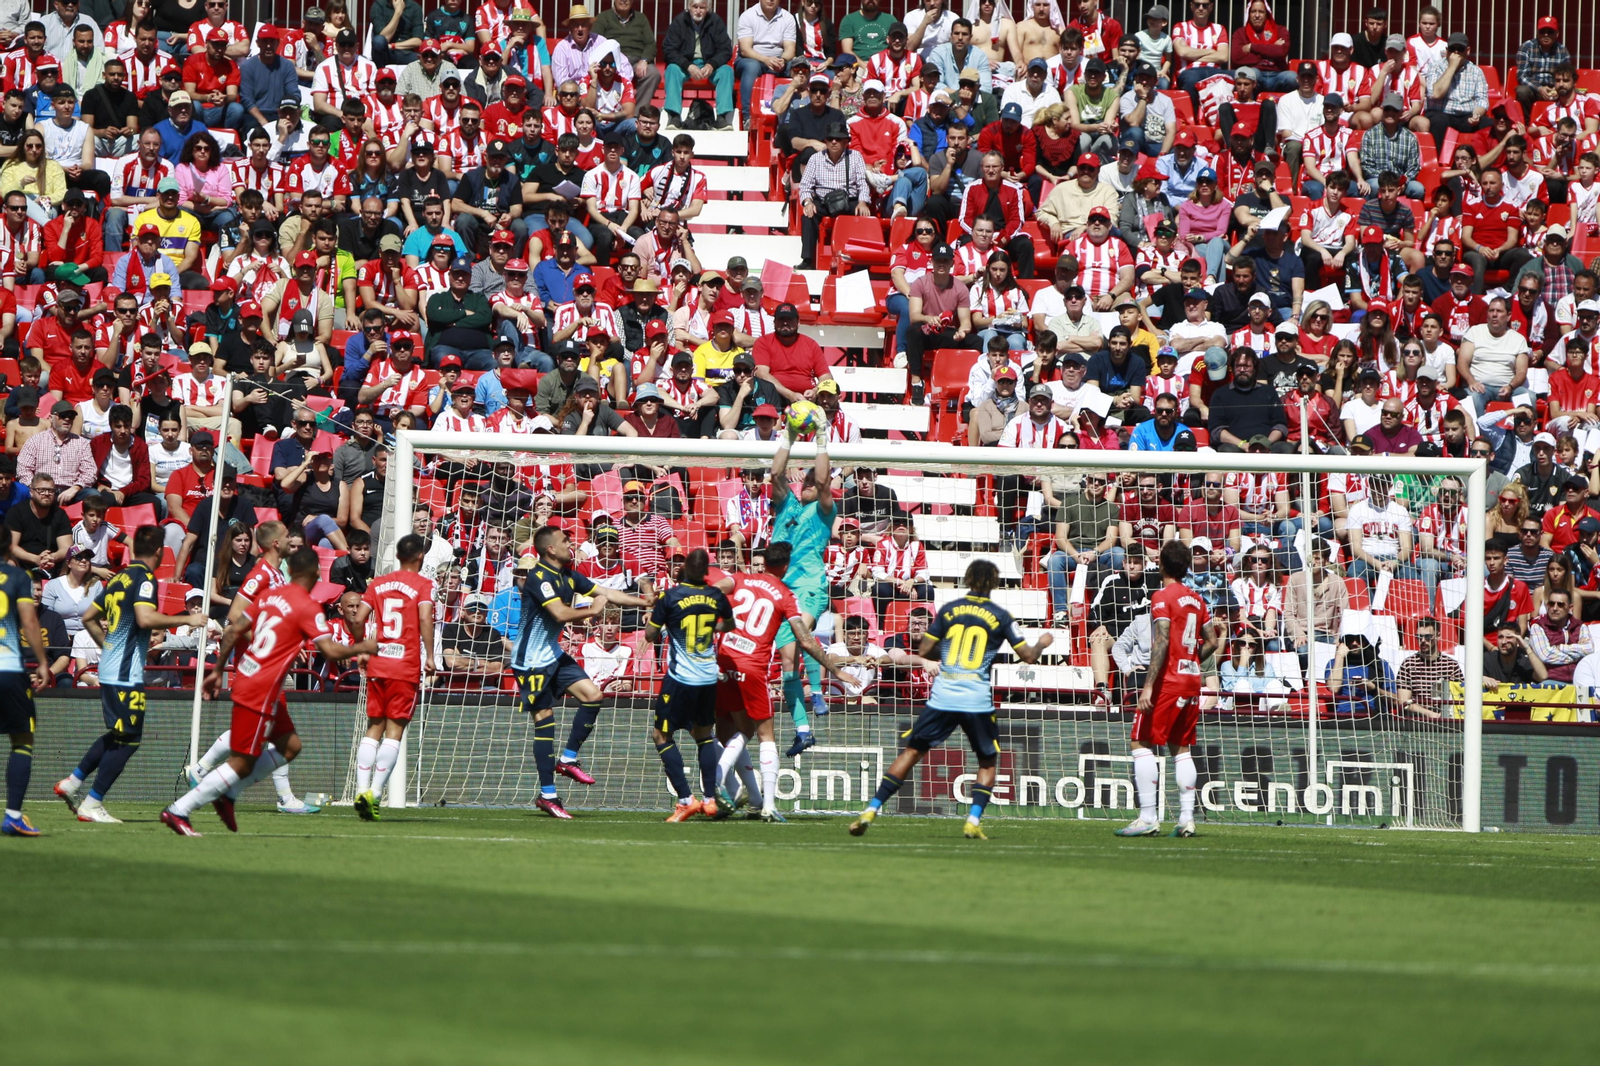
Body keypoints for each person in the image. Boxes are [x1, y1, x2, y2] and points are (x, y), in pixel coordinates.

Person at [162, 548, 376, 836]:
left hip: (253, 678)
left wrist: (217, 670)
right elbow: (332, 651)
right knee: (241, 761)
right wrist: (364, 647)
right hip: (261, 688)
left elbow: (234, 628)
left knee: (290, 746)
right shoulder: (306, 606)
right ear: (314, 574)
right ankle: (179, 810)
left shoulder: (267, 597)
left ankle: (230, 793)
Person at [848, 558, 1052, 840]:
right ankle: (972, 820)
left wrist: (946, 652)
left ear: (967, 580)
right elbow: (1028, 656)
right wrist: (1042, 642)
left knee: (911, 752)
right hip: (976, 698)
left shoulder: (949, 610)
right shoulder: (1000, 616)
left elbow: (927, 649)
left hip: (943, 694)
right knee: (988, 761)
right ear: (993, 583)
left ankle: (871, 810)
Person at [55, 524, 205, 824]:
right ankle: (92, 802)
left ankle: (72, 783)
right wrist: (189, 618)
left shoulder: (120, 576)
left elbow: (88, 616)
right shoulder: (145, 579)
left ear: (133, 548)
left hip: (112, 667)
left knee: (118, 734)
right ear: (161, 552)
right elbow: (144, 617)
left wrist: (108, 645)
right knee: (130, 739)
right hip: (125, 673)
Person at [512, 524, 651, 819]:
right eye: (565, 540)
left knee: (593, 695)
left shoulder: (568, 575)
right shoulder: (539, 577)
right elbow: (561, 613)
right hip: (531, 661)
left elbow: (607, 592)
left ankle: (568, 759)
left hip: (552, 653)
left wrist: (646, 600)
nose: (570, 543)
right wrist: (593, 610)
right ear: (551, 549)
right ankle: (548, 795)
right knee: (544, 721)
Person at [712, 540, 845, 821]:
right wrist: (834, 669)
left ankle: (749, 795)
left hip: (722, 663)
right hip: (752, 668)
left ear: (764, 562)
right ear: (786, 566)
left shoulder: (739, 579)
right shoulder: (785, 595)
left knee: (725, 731)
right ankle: (765, 804)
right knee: (764, 736)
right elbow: (806, 641)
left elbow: (713, 590)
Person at [348, 533, 436, 820]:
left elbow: (358, 618)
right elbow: (424, 618)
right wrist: (431, 656)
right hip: (404, 665)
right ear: (420, 557)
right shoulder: (423, 585)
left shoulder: (378, 583)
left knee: (373, 727)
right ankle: (374, 793)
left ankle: (360, 791)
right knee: (394, 731)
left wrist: (361, 648)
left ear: (398, 556)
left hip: (378, 663)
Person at [644, 547, 732, 821]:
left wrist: (662, 620)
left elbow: (649, 635)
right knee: (704, 735)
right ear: (707, 571)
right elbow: (729, 625)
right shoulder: (716, 595)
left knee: (661, 735)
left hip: (681, 677)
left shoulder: (670, 597)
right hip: (708, 677)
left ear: (682, 570)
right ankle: (709, 800)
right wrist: (709, 630)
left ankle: (685, 799)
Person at [0, 527, 51, 837]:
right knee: (22, 740)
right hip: (7, 669)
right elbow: (29, 620)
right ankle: (13, 816)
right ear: (10, 546)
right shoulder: (17, 577)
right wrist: (43, 662)